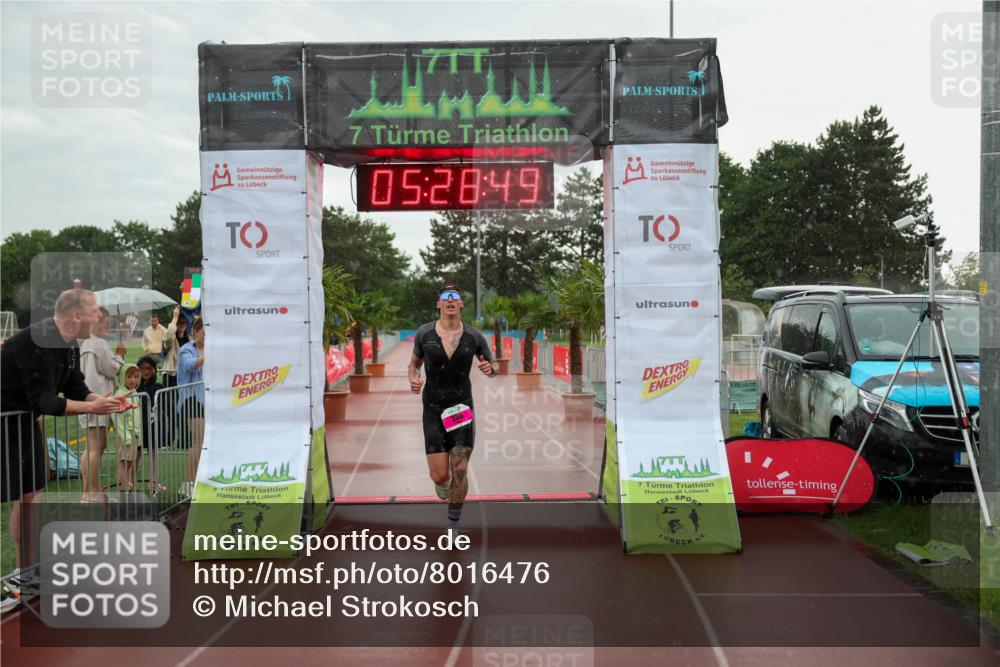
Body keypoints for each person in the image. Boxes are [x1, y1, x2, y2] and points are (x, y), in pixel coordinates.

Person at [0, 289, 133, 607]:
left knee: (31, 495)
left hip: (21, 422)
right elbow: (46, 401)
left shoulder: (71, 344)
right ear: (76, 315)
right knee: (25, 496)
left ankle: (24, 573)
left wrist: (104, 402)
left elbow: (76, 387)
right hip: (5, 422)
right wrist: (93, 408)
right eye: (95, 310)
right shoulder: (38, 341)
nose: (100, 315)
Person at [408, 283, 497, 529]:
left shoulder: (474, 336)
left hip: (461, 409)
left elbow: (494, 365)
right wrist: (413, 379)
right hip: (433, 409)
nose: (450, 300)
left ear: (461, 304)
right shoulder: (424, 333)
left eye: (454, 296)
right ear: (438, 303)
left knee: (459, 468)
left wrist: (490, 369)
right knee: (440, 475)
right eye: (445, 297)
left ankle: (453, 526)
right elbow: (414, 364)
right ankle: (441, 483)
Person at [79, 307, 127, 501]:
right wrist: (120, 355)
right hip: (98, 400)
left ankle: (89, 491)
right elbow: (111, 369)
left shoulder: (86, 343)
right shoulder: (98, 343)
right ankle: (91, 493)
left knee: (93, 447)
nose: (108, 326)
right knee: (95, 448)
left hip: (89, 400)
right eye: (105, 322)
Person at [177, 317, 205, 497]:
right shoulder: (186, 349)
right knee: (199, 442)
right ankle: (187, 484)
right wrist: (208, 354)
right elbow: (190, 365)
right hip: (191, 399)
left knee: (204, 444)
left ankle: (197, 482)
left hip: (207, 401)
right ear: (195, 331)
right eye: (204, 332)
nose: (207, 336)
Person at [136, 354, 167, 493]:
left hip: (152, 426)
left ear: (154, 370)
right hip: (137, 426)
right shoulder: (134, 388)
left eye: (149, 368)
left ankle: (153, 483)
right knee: (134, 456)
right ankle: (129, 483)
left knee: (153, 455)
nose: (146, 371)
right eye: (143, 368)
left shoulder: (158, 387)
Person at [112, 364, 143, 491]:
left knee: (130, 462)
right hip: (126, 436)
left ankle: (128, 488)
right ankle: (123, 491)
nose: (133, 380)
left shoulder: (134, 393)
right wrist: (126, 437)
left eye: (136, 376)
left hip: (134, 434)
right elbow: (117, 418)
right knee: (124, 464)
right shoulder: (120, 394)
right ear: (121, 377)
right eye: (129, 376)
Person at [162, 306, 189, 388]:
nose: (182, 324)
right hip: (171, 375)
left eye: (184, 322)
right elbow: (170, 334)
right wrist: (175, 317)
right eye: (179, 322)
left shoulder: (190, 339)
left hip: (184, 374)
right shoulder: (171, 339)